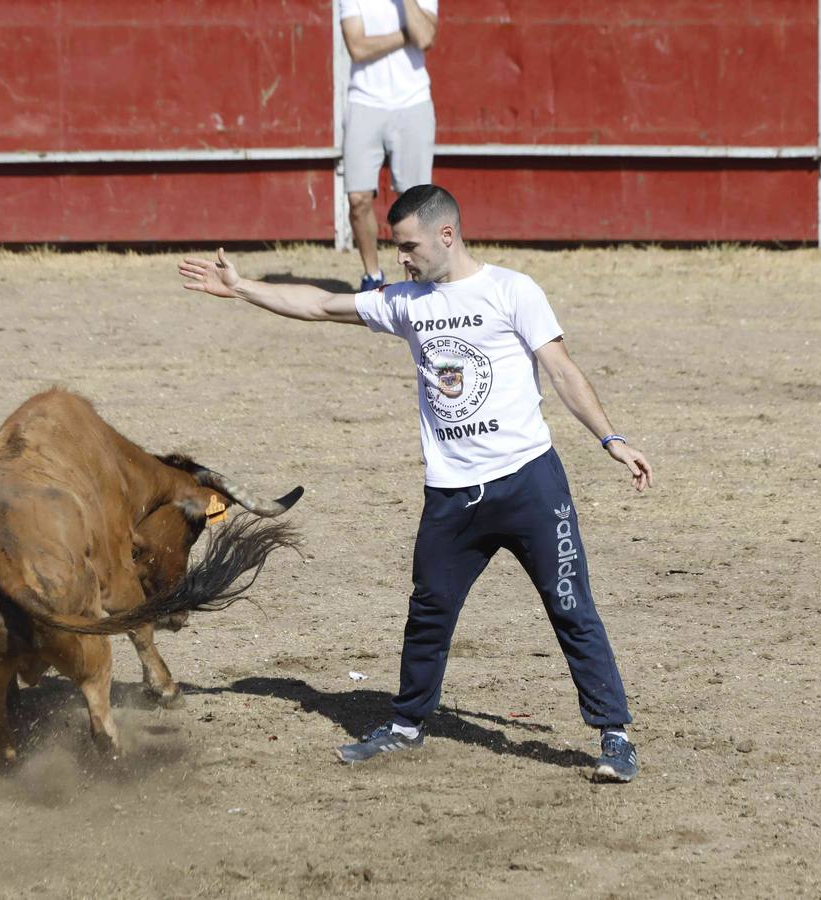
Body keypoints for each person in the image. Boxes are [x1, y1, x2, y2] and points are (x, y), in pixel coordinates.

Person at [179, 185, 653, 783]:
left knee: (569, 605)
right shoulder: (406, 302)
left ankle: (614, 735)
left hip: (531, 484)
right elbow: (322, 306)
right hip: (452, 495)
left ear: (446, 235)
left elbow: (561, 368)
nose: (398, 258)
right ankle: (406, 725)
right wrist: (243, 289)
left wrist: (612, 440)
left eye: (407, 247)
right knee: (429, 612)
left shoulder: (513, 290)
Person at [339, 0, 439, 292]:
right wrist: (405, 35)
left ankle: (413, 280)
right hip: (364, 101)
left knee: (415, 201)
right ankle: (372, 275)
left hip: (414, 101)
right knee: (358, 199)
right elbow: (357, 47)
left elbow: (425, 38)